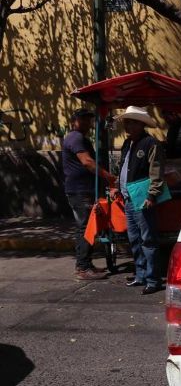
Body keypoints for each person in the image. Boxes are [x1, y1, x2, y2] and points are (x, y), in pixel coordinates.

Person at [112, 106, 166, 295]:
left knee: (147, 239)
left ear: (140, 124)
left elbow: (156, 171)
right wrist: (117, 186)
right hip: (128, 198)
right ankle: (141, 274)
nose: (127, 126)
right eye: (126, 122)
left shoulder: (151, 143)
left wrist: (152, 195)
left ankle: (153, 279)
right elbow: (123, 168)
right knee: (134, 239)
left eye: (131, 122)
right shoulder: (128, 143)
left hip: (142, 197)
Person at [62, 108, 116, 280]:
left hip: (84, 189)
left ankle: (86, 264)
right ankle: (83, 267)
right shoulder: (75, 138)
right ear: (73, 121)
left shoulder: (81, 138)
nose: (86, 122)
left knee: (88, 226)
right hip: (79, 190)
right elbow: (87, 162)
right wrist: (108, 177)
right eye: (82, 119)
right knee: (84, 227)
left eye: (88, 119)